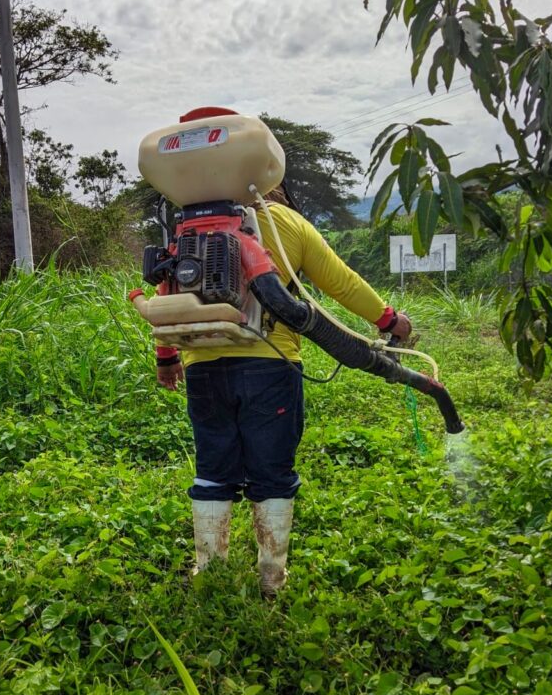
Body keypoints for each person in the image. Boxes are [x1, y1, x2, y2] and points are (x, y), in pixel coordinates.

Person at [156, 151, 411, 596]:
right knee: (272, 470)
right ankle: (271, 578)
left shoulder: (189, 229)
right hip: (270, 364)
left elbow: (166, 294)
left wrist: (166, 357)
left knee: (213, 467)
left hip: (204, 367)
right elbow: (342, 282)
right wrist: (389, 320)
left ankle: (209, 572)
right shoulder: (285, 223)